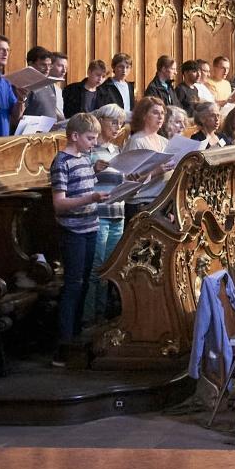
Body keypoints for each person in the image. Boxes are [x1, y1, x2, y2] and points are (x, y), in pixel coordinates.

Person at [49, 113, 111, 364]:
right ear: (74, 136)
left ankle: (76, 339)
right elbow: (59, 204)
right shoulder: (61, 161)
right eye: (90, 138)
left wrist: (96, 172)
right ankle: (63, 346)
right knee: (73, 286)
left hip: (90, 227)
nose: (94, 143)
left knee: (85, 283)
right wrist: (91, 198)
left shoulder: (84, 159)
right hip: (73, 231)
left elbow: (84, 184)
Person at [86, 104, 132, 323]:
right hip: (98, 213)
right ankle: (88, 318)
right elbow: (78, 180)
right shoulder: (90, 149)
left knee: (109, 268)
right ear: (100, 121)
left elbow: (122, 182)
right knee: (96, 267)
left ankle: (102, 316)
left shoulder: (117, 150)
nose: (117, 127)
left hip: (117, 212)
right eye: (113, 122)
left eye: (120, 123)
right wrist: (93, 170)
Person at [22, 48, 65, 124]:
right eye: (43, 65)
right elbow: (18, 116)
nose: (47, 69)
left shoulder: (50, 83)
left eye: (49, 65)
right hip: (30, 134)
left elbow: (51, 110)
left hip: (49, 134)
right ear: (30, 64)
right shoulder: (24, 84)